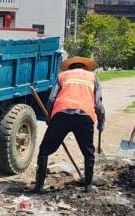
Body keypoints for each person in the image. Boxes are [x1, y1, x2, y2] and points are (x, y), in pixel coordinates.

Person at [34, 56, 106, 194]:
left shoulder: (63, 76)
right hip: (84, 116)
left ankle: (39, 186)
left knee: (44, 150)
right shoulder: (93, 77)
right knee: (88, 152)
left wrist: (50, 117)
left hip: (61, 115)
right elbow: (98, 104)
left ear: (70, 67)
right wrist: (101, 123)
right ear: (85, 67)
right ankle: (88, 186)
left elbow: (52, 99)